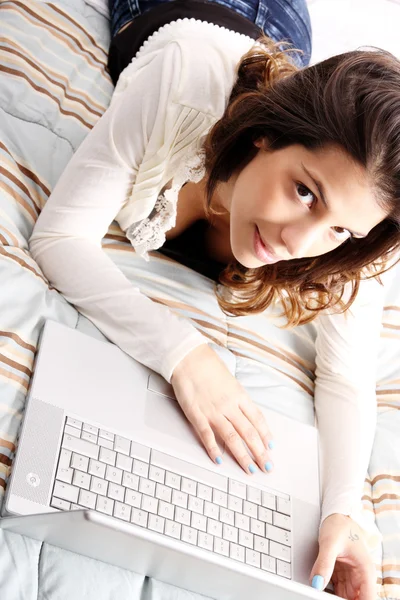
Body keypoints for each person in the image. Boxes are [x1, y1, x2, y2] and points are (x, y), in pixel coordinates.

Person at [28, 0, 400, 597]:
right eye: (304, 191)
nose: (296, 243)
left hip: (285, 44)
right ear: (262, 137)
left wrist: (341, 511)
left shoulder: (360, 213)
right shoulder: (183, 76)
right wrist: (186, 355)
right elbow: (58, 238)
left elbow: (346, 379)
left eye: (338, 229)